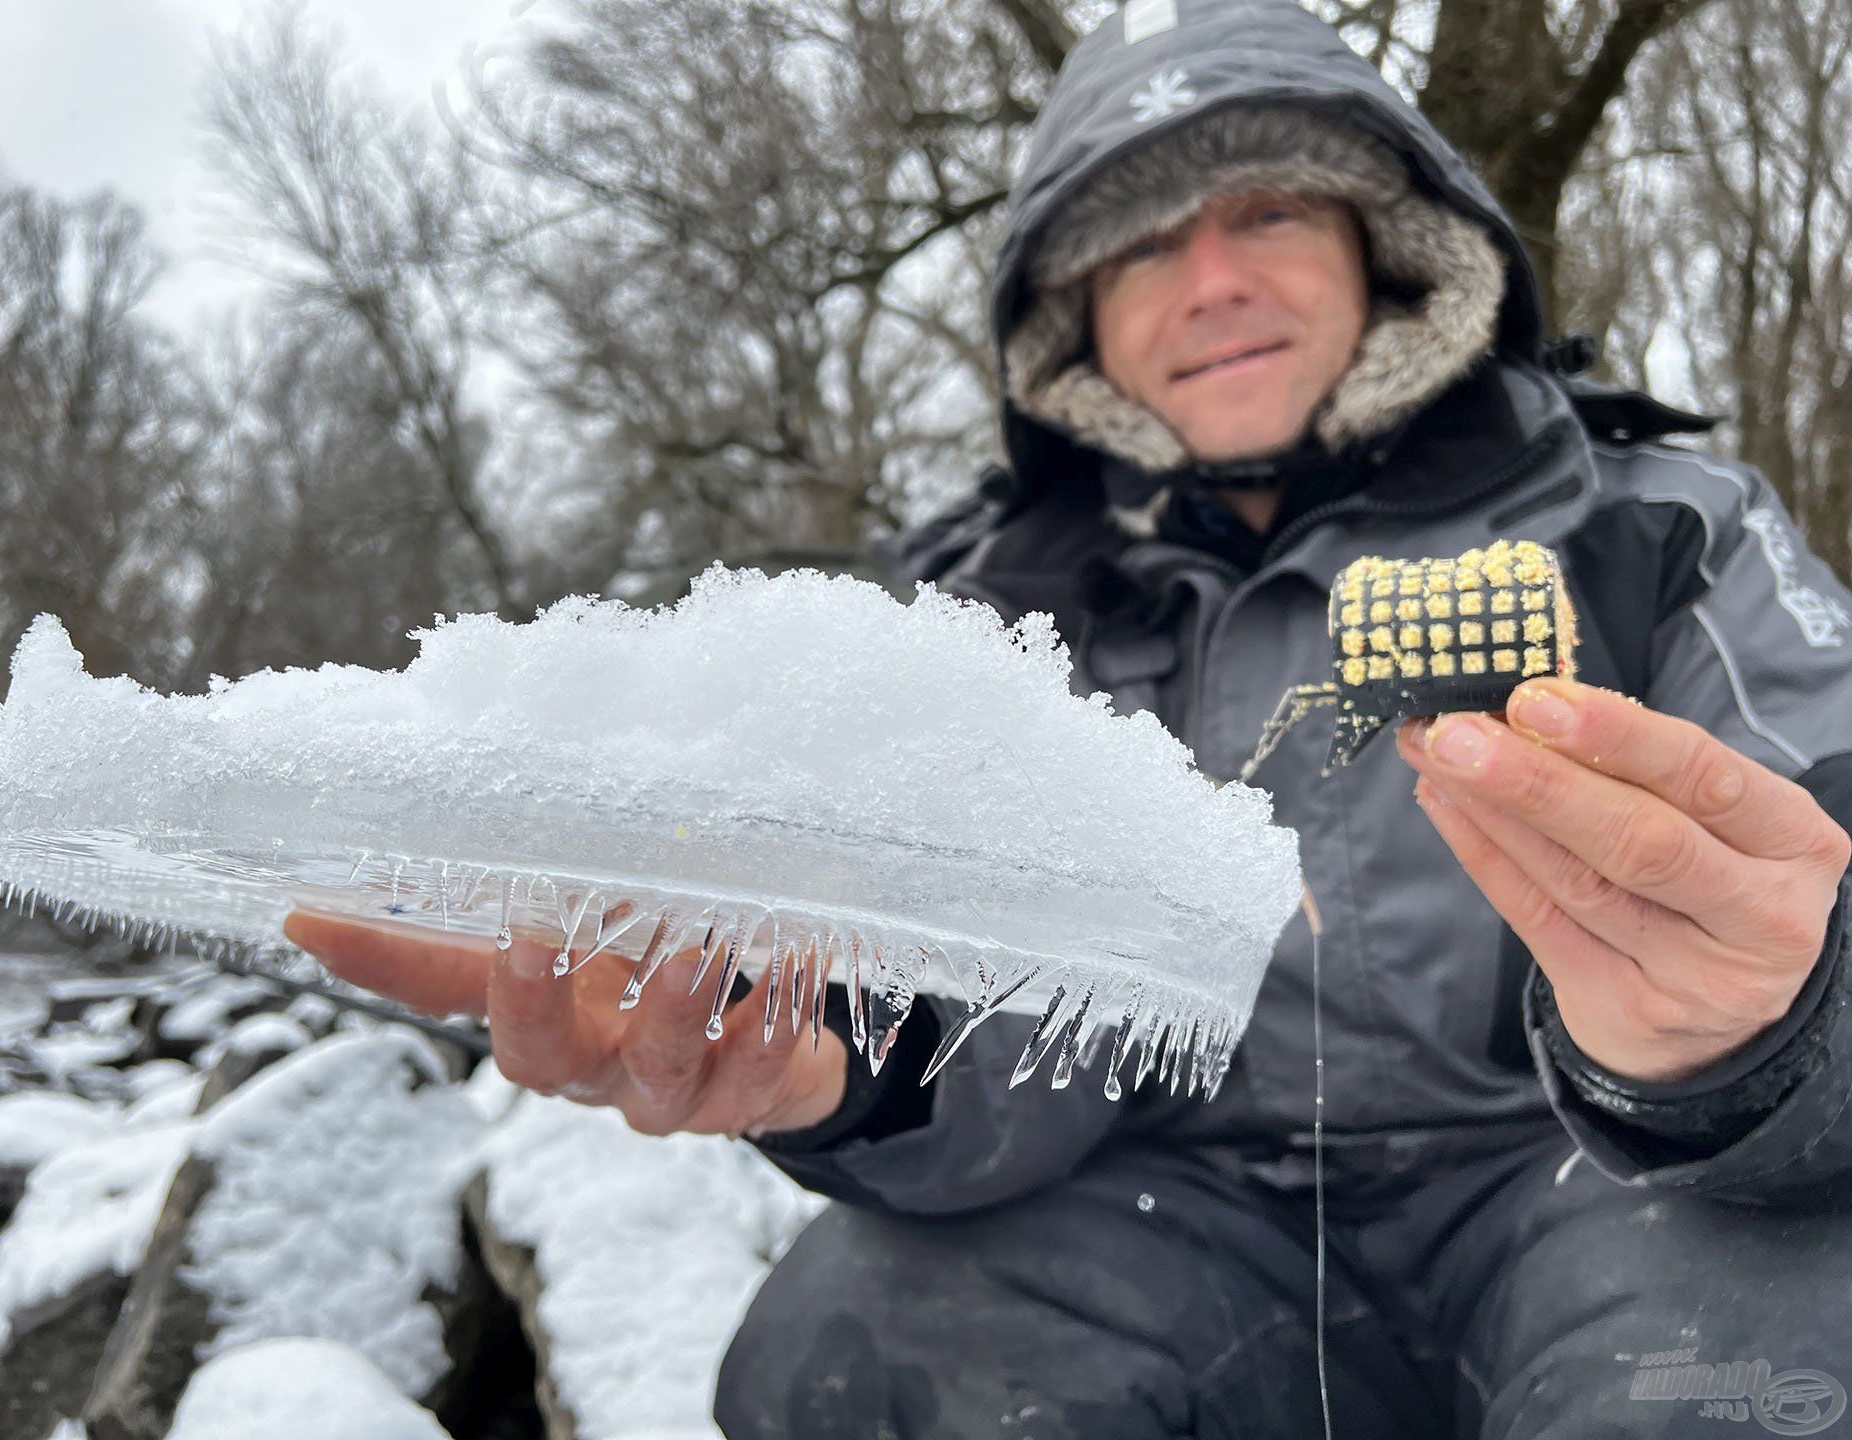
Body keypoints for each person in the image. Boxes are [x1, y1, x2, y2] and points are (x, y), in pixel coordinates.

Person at [286, 1, 1852, 1435]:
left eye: (1271, 210)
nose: (1215, 280)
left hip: (1615, 1195)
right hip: (1189, 1230)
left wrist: (1776, 1029)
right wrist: (846, 1062)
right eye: (1142, 247)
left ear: (1387, 243)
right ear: (1074, 320)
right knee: (847, 1339)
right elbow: (992, 1035)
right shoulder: (982, 625)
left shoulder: (1660, 525)